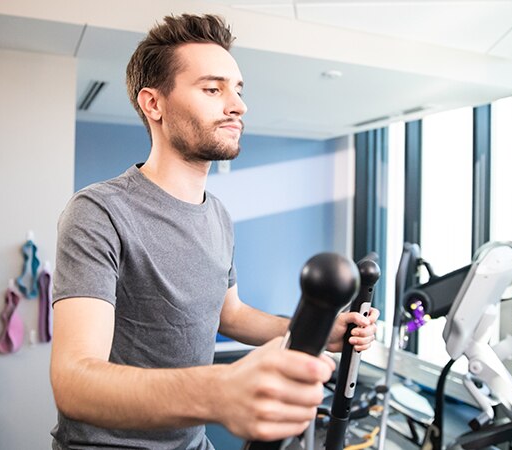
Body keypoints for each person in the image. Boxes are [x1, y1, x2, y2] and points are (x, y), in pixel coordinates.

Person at [49, 13, 380, 450]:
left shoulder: (218, 215)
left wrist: (319, 331)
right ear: (154, 105)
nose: (238, 105)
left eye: (238, 90)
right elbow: (73, 381)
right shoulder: (99, 211)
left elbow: (231, 315)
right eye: (212, 89)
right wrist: (219, 390)